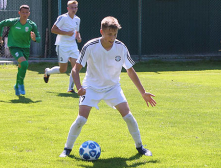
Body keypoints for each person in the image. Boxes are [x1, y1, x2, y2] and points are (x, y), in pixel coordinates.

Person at [59, 16, 156, 157]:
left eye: (115, 34)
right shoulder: (90, 46)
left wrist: (143, 92)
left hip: (113, 88)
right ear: (101, 32)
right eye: (109, 34)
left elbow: (130, 71)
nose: (112, 37)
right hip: (91, 87)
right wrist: (79, 87)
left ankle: (140, 148)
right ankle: (67, 150)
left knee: (128, 117)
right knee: (81, 119)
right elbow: (75, 69)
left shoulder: (121, 47)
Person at [0, 5, 40, 96]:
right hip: (14, 46)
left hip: (25, 48)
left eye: (26, 12)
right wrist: (0, 39)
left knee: (21, 66)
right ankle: (21, 84)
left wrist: (35, 38)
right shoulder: (14, 22)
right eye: (23, 12)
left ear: (29, 14)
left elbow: (38, 39)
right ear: (19, 13)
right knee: (24, 63)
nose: (24, 14)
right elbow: (1, 24)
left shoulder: (32, 24)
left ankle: (16, 85)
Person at [43, 0, 81, 93]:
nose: (74, 9)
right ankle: (48, 72)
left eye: (75, 7)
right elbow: (53, 29)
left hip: (73, 46)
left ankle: (70, 88)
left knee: (76, 67)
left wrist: (78, 37)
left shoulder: (77, 19)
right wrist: (66, 33)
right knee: (63, 69)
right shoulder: (62, 18)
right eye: (72, 7)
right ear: (68, 8)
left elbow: (77, 32)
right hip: (62, 46)